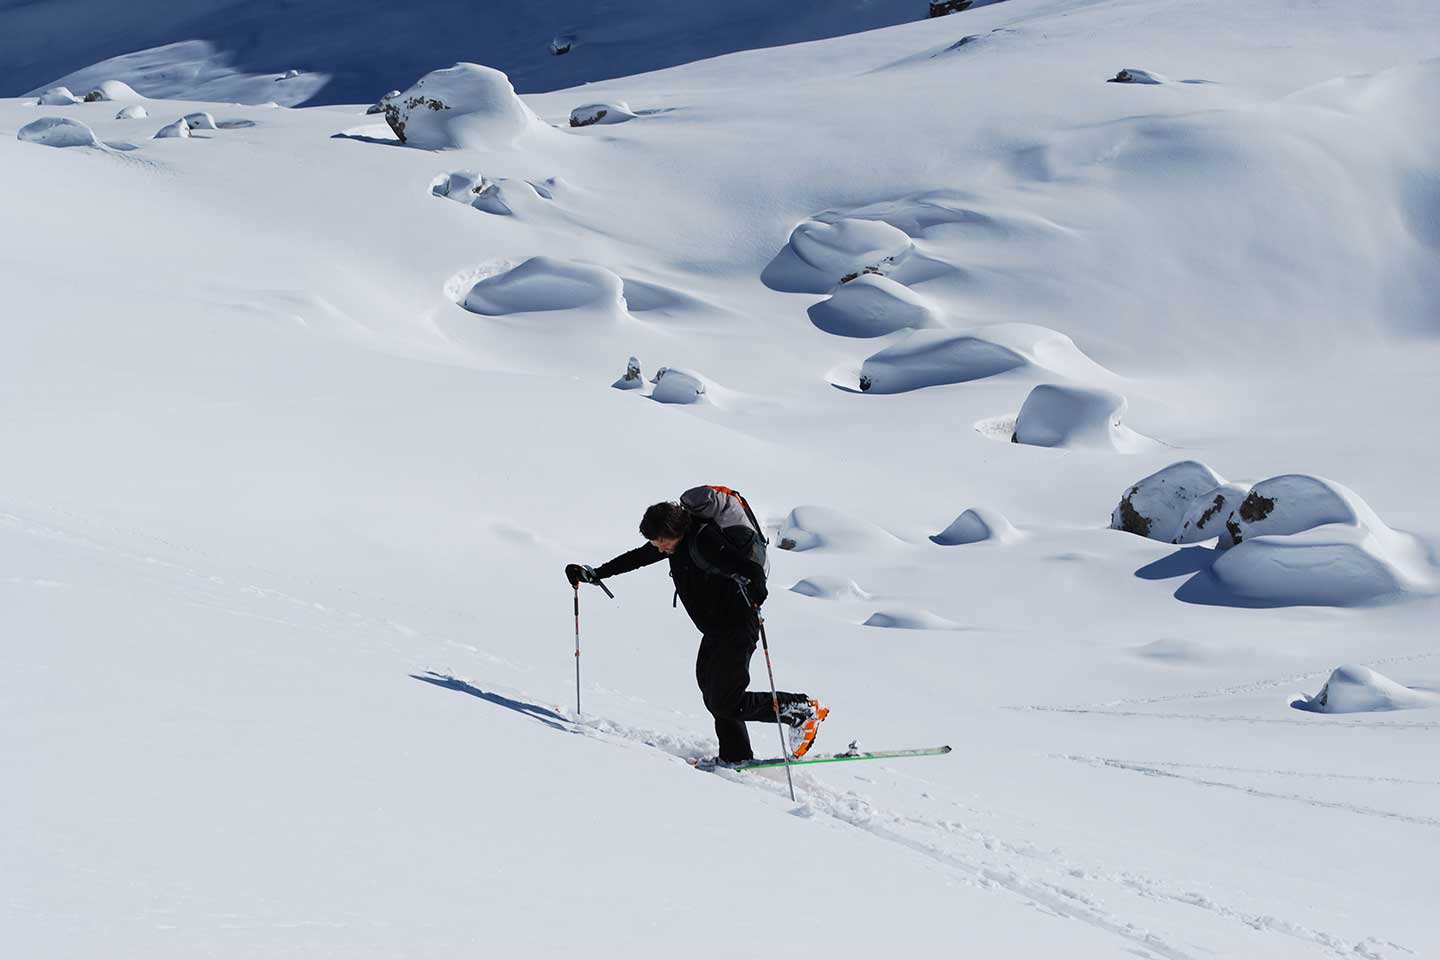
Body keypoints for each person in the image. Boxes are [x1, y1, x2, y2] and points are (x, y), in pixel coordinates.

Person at [566, 497, 826, 765]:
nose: (657, 547)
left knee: (727, 701)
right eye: (655, 542)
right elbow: (638, 557)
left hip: (737, 626)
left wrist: (758, 588)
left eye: (659, 541)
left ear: (673, 532)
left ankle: (799, 709)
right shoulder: (673, 544)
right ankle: (735, 755)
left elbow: (748, 568)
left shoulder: (704, 541)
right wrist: (596, 573)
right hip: (716, 630)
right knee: (712, 692)